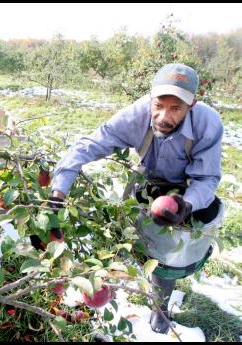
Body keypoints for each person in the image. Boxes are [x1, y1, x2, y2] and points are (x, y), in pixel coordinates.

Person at [47, 63, 224, 334]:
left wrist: (186, 205)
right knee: (123, 236)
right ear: (151, 96)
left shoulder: (207, 124)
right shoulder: (137, 116)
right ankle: (111, 288)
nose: (164, 116)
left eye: (175, 108)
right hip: (146, 179)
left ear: (192, 104)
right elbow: (90, 144)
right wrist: (58, 191)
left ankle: (160, 306)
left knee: (167, 251)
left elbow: (207, 179)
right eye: (159, 105)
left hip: (184, 188)